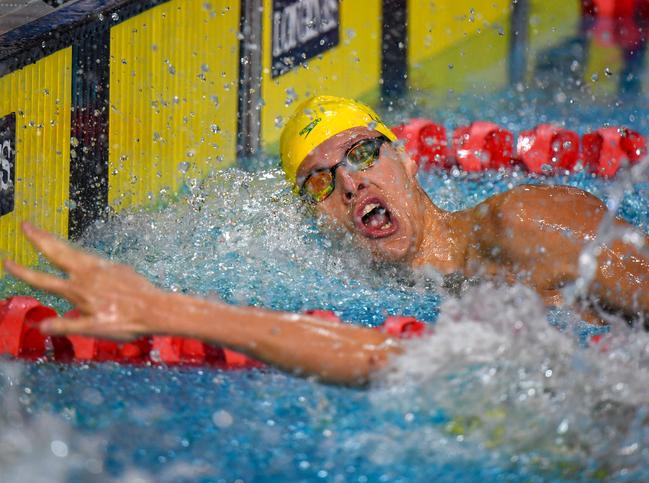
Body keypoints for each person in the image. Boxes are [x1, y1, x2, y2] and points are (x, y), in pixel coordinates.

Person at [4, 96, 649, 385]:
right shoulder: (390, 302)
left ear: (411, 161)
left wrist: (160, 310)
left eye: (363, 151)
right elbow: (385, 361)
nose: (349, 180)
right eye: (320, 181)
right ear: (315, 218)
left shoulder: (524, 222)